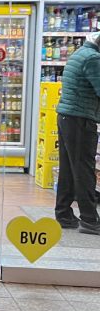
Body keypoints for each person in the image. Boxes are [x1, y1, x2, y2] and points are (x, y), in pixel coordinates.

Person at [55, 31, 100, 234]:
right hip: (80, 119)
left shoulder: (81, 53)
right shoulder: (93, 58)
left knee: (68, 168)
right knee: (84, 169)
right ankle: (90, 219)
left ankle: (64, 214)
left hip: (67, 117)